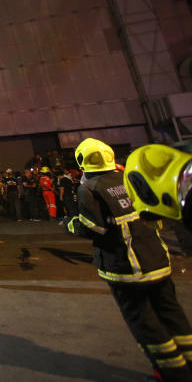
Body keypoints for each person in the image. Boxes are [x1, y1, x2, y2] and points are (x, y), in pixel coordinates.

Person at [67, 138, 192, 381]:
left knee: (145, 323)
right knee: (172, 313)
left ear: (82, 161)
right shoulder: (129, 178)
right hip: (157, 261)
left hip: (125, 270)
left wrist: (71, 225)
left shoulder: (89, 188)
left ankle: (173, 373)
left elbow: (94, 229)